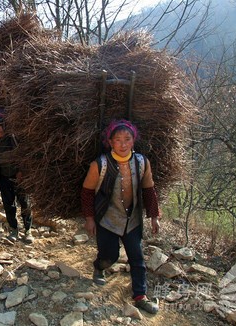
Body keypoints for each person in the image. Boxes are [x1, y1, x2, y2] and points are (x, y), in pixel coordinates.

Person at [81, 119, 161, 314]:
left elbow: (149, 189)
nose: (123, 144)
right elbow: (87, 192)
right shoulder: (100, 164)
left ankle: (140, 296)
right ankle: (99, 267)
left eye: (127, 139)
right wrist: (90, 218)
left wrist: (153, 216)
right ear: (110, 142)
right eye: (118, 140)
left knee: (137, 258)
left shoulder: (141, 162)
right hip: (107, 220)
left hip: (132, 220)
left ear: (133, 141)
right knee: (110, 256)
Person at [0, 107, 34, 243]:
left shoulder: (14, 138)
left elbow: (23, 156)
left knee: (25, 204)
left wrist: (21, 171)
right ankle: (14, 230)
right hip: (3, 179)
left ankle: (28, 231)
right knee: (8, 205)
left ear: (4, 125)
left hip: (20, 178)